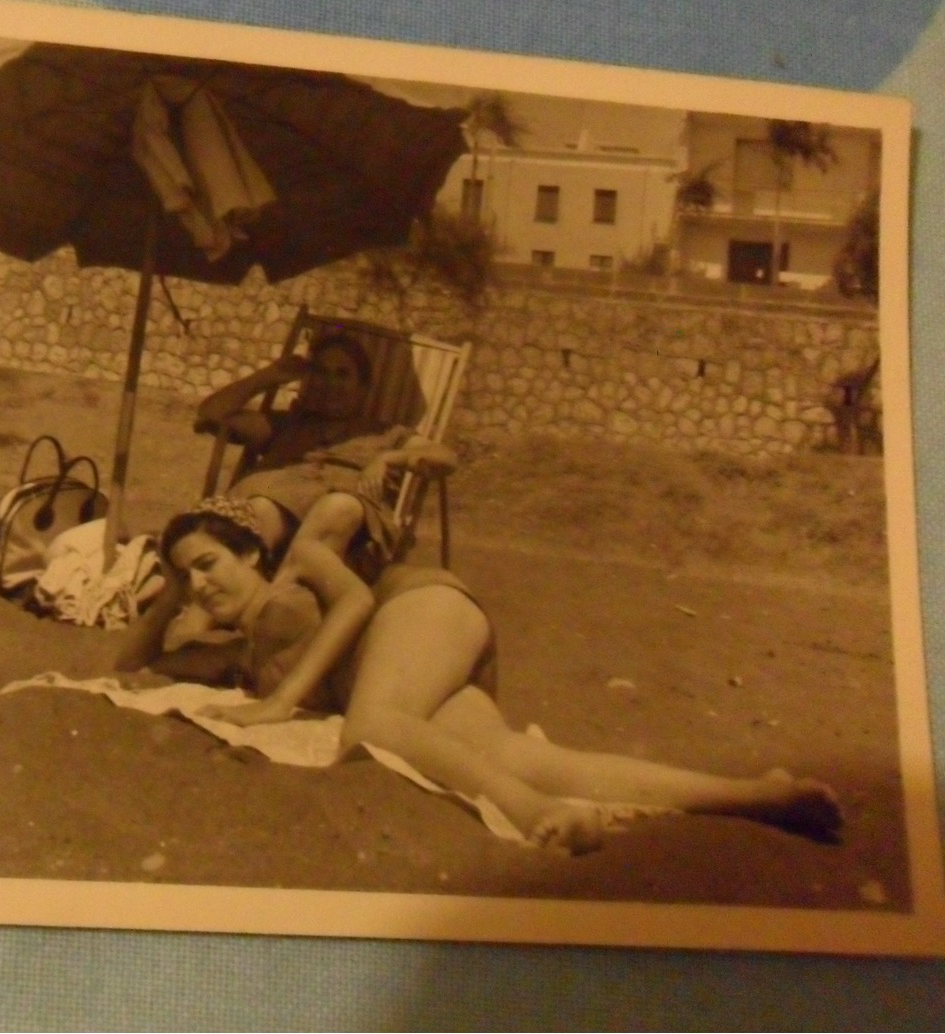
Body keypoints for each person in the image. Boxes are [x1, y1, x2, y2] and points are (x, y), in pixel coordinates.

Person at [117, 496, 845, 855]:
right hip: (409, 670)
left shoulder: (301, 560)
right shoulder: (236, 649)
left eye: (209, 563)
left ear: (249, 552)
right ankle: (759, 797)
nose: (200, 586)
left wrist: (281, 702)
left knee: (371, 729)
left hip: (417, 608)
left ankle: (535, 818)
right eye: (185, 579)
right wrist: (170, 587)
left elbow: (359, 600)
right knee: (518, 756)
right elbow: (128, 663)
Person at [195, 331, 456, 575]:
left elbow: (446, 457)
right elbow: (211, 413)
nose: (331, 383)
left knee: (326, 508)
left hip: (342, 528)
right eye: (321, 372)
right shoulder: (288, 424)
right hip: (264, 516)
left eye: (343, 374)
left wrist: (386, 458)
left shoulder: (385, 434)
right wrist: (270, 375)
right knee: (261, 508)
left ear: (363, 386)